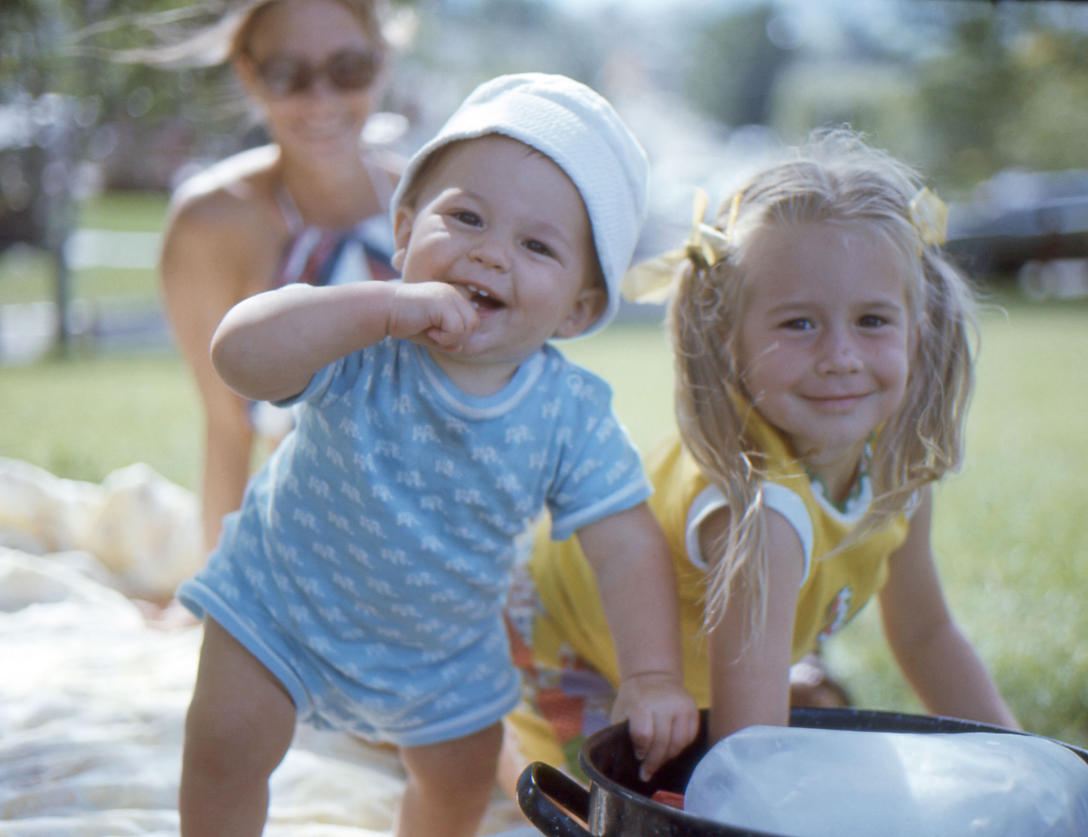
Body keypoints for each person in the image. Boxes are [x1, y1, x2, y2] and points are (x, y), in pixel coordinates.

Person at [175, 72, 699, 837]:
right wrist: (380, 308)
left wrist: (652, 675)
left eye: (536, 244)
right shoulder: (359, 339)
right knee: (223, 747)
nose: (490, 254)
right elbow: (238, 356)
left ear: (579, 309)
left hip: (441, 652)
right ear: (406, 228)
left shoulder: (566, 414)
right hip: (280, 605)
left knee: (459, 785)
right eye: (467, 218)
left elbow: (623, 542)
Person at [503, 128, 1019, 783]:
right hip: (536, 652)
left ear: (920, 325)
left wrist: (1029, 765)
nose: (840, 356)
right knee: (553, 812)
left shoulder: (896, 465)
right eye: (799, 322)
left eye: (873, 320)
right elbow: (749, 762)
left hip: (664, 679)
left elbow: (926, 634)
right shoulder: (760, 512)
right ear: (729, 339)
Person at [157, 0, 403, 554]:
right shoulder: (210, 224)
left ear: (382, 62)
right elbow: (226, 432)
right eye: (288, 74)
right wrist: (217, 598)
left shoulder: (435, 202)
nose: (321, 100)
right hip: (304, 556)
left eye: (348, 70)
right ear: (248, 74)